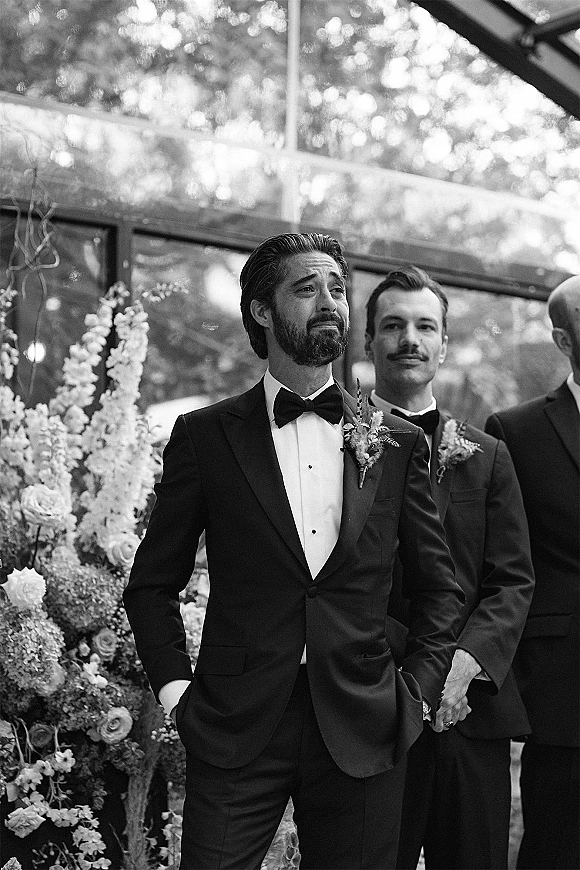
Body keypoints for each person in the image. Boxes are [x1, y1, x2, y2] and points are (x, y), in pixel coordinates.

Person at [123, 233, 464, 870]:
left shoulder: (394, 441)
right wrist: (177, 696)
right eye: (306, 289)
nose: (329, 302)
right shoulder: (204, 436)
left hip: (364, 724)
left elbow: (439, 588)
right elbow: (151, 585)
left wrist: (414, 694)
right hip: (234, 724)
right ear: (261, 310)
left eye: (337, 288)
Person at [364, 265, 535, 869]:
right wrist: (407, 670)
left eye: (424, 327)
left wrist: (464, 666)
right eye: (393, 325)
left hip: (469, 714)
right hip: (370, 707)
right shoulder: (334, 445)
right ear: (369, 341)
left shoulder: (489, 457)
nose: (409, 339)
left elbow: (512, 580)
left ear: (443, 344)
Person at [486, 274, 580, 870]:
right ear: (564, 340)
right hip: (566, 690)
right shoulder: (515, 431)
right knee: (557, 848)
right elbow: (502, 563)